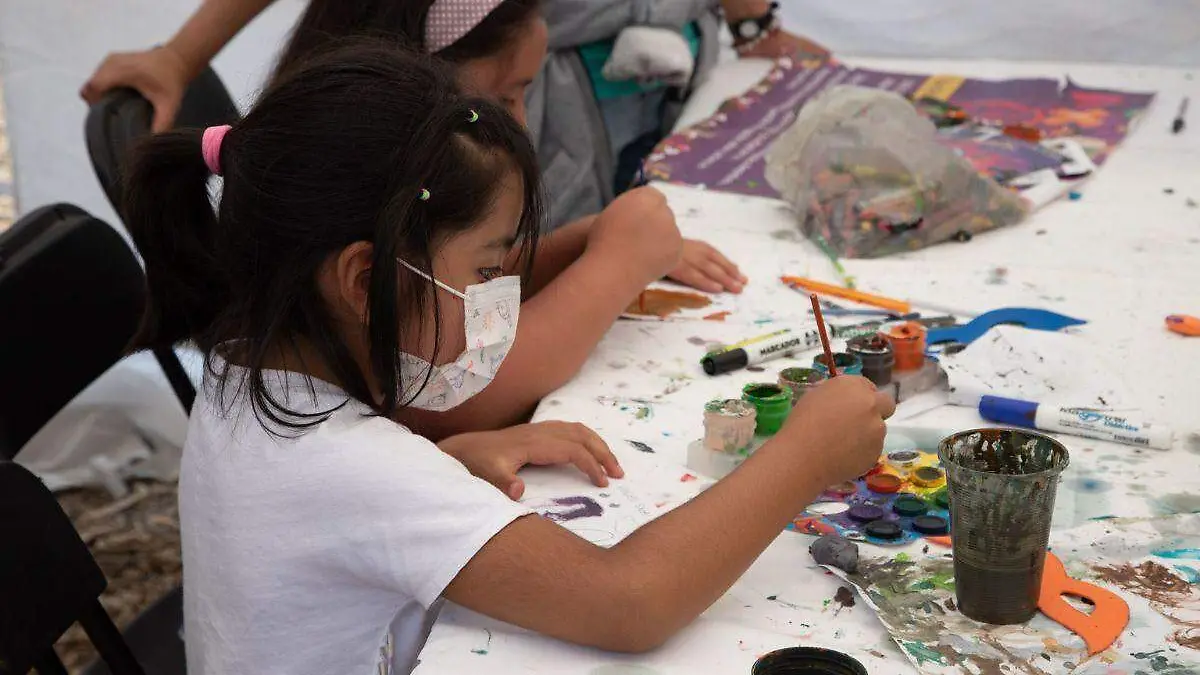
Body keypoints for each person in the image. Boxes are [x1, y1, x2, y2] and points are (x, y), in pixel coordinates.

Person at [123, 41, 893, 675]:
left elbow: (316, 520)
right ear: (363, 279)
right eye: (487, 272)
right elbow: (630, 601)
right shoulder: (354, 467)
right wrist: (804, 452)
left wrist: (446, 458)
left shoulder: (241, 364)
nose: (501, 298)